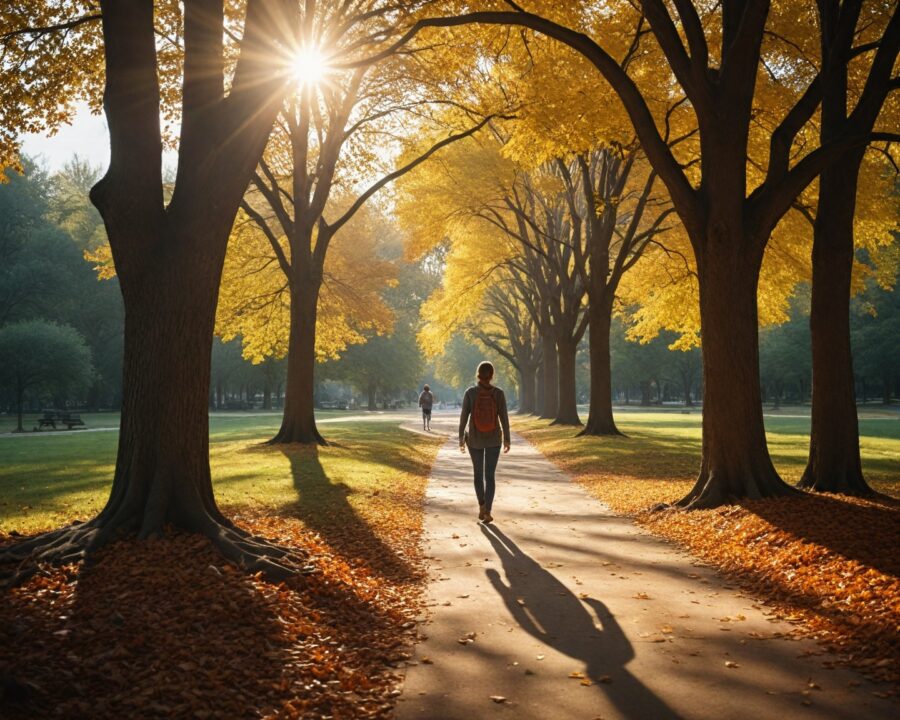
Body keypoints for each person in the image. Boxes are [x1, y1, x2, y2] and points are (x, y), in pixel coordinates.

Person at [458, 361, 510, 523]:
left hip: (474, 439)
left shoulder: (470, 393)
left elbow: (464, 417)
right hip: (494, 439)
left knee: (478, 474)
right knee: (490, 476)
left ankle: (481, 506)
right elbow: (504, 418)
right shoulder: (498, 393)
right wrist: (507, 438)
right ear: (492, 375)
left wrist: (461, 437)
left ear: (478, 374)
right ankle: (488, 511)